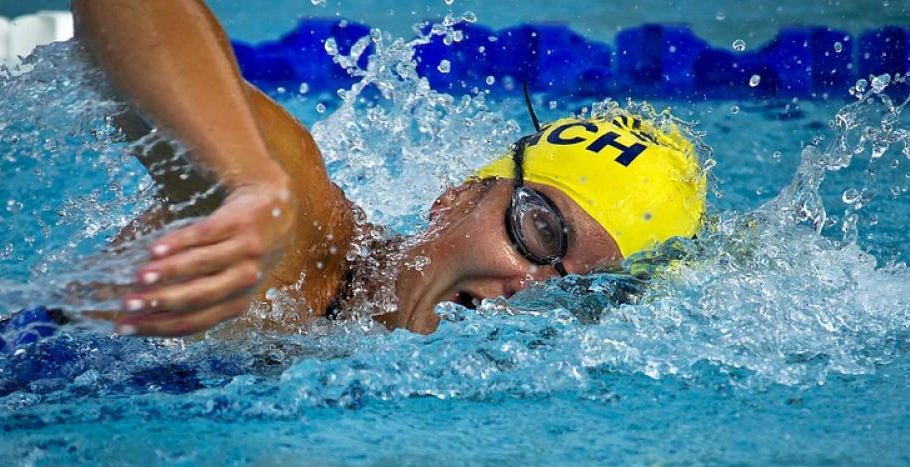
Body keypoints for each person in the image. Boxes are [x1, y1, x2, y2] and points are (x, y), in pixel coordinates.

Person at [71, 0, 706, 337]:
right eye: (541, 233)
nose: (532, 288)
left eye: (580, 292)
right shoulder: (297, 238)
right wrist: (247, 181)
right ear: (457, 197)